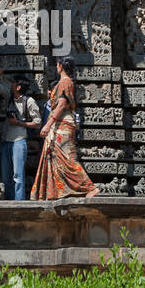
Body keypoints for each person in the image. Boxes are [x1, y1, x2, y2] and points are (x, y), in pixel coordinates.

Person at [31, 57, 100, 200]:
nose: (56, 66)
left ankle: (90, 188)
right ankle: (57, 192)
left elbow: (61, 104)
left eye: (57, 64)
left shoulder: (65, 82)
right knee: (57, 158)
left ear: (61, 66)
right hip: (60, 123)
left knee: (67, 158)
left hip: (62, 124)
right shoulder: (66, 82)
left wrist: (48, 124)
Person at [0, 77, 40, 200]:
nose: (11, 84)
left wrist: (18, 122)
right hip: (6, 140)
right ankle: (9, 201)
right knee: (6, 176)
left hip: (19, 141)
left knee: (18, 176)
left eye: (14, 82)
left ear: (18, 87)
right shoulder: (9, 98)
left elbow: (37, 123)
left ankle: (18, 202)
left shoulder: (29, 102)